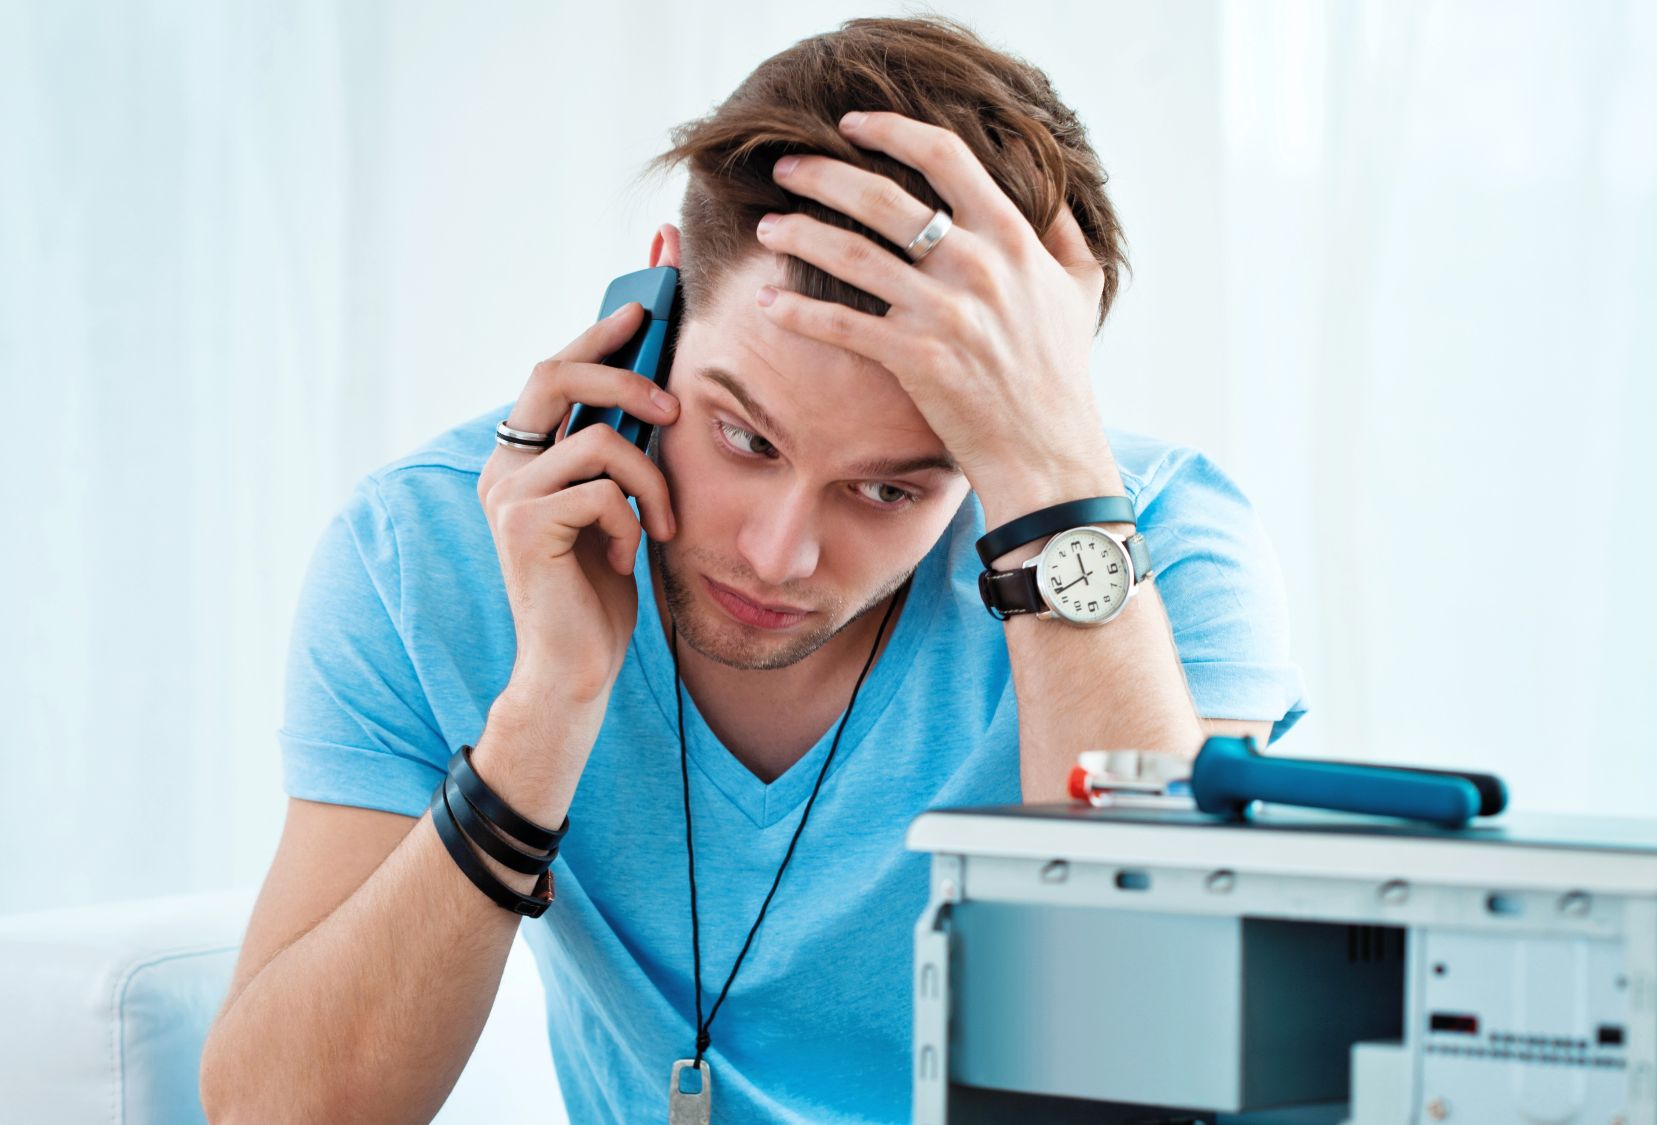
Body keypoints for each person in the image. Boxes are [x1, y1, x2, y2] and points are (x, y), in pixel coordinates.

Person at [199, 15, 1306, 1124]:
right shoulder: (433, 550)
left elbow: (1158, 1077)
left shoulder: (1145, 560)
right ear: (655, 305)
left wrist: (1053, 469)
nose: (780, 555)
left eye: (891, 489)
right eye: (744, 437)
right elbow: (281, 1113)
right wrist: (547, 706)